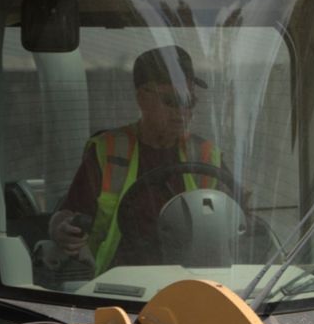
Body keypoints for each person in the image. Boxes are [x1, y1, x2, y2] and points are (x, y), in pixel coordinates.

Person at [44, 45, 224, 273]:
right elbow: (68, 213)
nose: (182, 112)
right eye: (171, 100)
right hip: (117, 283)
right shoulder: (107, 150)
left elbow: (239, 222)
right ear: (142, 99)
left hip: (194, 281)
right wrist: (60, 227)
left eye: (189, 101)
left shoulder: (207, 155)